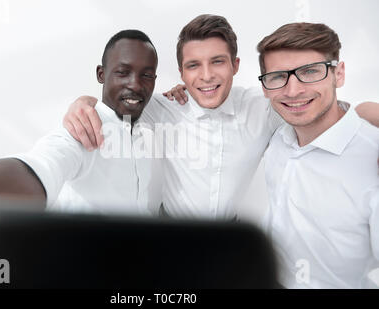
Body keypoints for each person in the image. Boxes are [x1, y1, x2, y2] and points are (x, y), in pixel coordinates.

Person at [62, 14, 377, 220]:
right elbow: (116, 102)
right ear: (182, 72)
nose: (207, 76)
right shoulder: (162, 107)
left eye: (217, 62)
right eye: (194, 65)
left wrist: (365, 114)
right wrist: (83, 102)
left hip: (228, 236)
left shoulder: (265, 106)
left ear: (236, 65)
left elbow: (335, 111)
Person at [0, 30, 162, 216]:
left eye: (146, 75)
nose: (135, 84)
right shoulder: (83, 128)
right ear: (101, 74)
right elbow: (42, 164)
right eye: (122, 72)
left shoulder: (150, 124)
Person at [257, 22, 378, 289]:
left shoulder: (373, 161)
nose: (293, 91)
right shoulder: (278, 135)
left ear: (339, 74)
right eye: (277, 76)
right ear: (265, 87)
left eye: (310, 71)